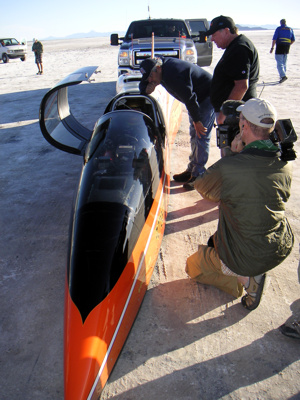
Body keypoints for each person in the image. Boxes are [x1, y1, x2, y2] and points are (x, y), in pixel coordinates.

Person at [185, 98, 294, 310]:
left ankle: (245, 281)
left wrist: (233, 155)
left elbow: (203, 188)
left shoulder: (230, 168)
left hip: (245, 258)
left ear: (243, 126)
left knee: (192, 267)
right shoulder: (284, 163)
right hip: (279, 245)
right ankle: (249, 270)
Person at [139, 57, 215, 188]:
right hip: (195, 99)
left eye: (151, 76)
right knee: (193, 134)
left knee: (201, 135)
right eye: (148, 78)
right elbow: (143, 82)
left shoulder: (173, 74)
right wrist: (146, 88)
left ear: (158, 69)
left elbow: (190, 98)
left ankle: (199, 175)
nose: (150, 79)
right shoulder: (159, 69)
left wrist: (197, 120)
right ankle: (192, 169)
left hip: (207, 95)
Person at [206, 16, 259, 125]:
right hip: (233, 112)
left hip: (234, 114)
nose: (212, 39)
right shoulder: (235, 46)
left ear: (226, 31)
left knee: (234, 141)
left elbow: (241, 86)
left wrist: (224, 114)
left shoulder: (239, 48)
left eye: (214, 35)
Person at [270, 19, 295, 83]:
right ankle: (283, 75)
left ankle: (283, 76)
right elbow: (293, 40)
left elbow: (274, 39)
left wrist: (272, 48)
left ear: (280, 23)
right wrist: (288, 45)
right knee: (284, 62)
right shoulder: (290, 29)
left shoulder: (279, 29)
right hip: (287, 46)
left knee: (279, 62)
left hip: (280, 46)